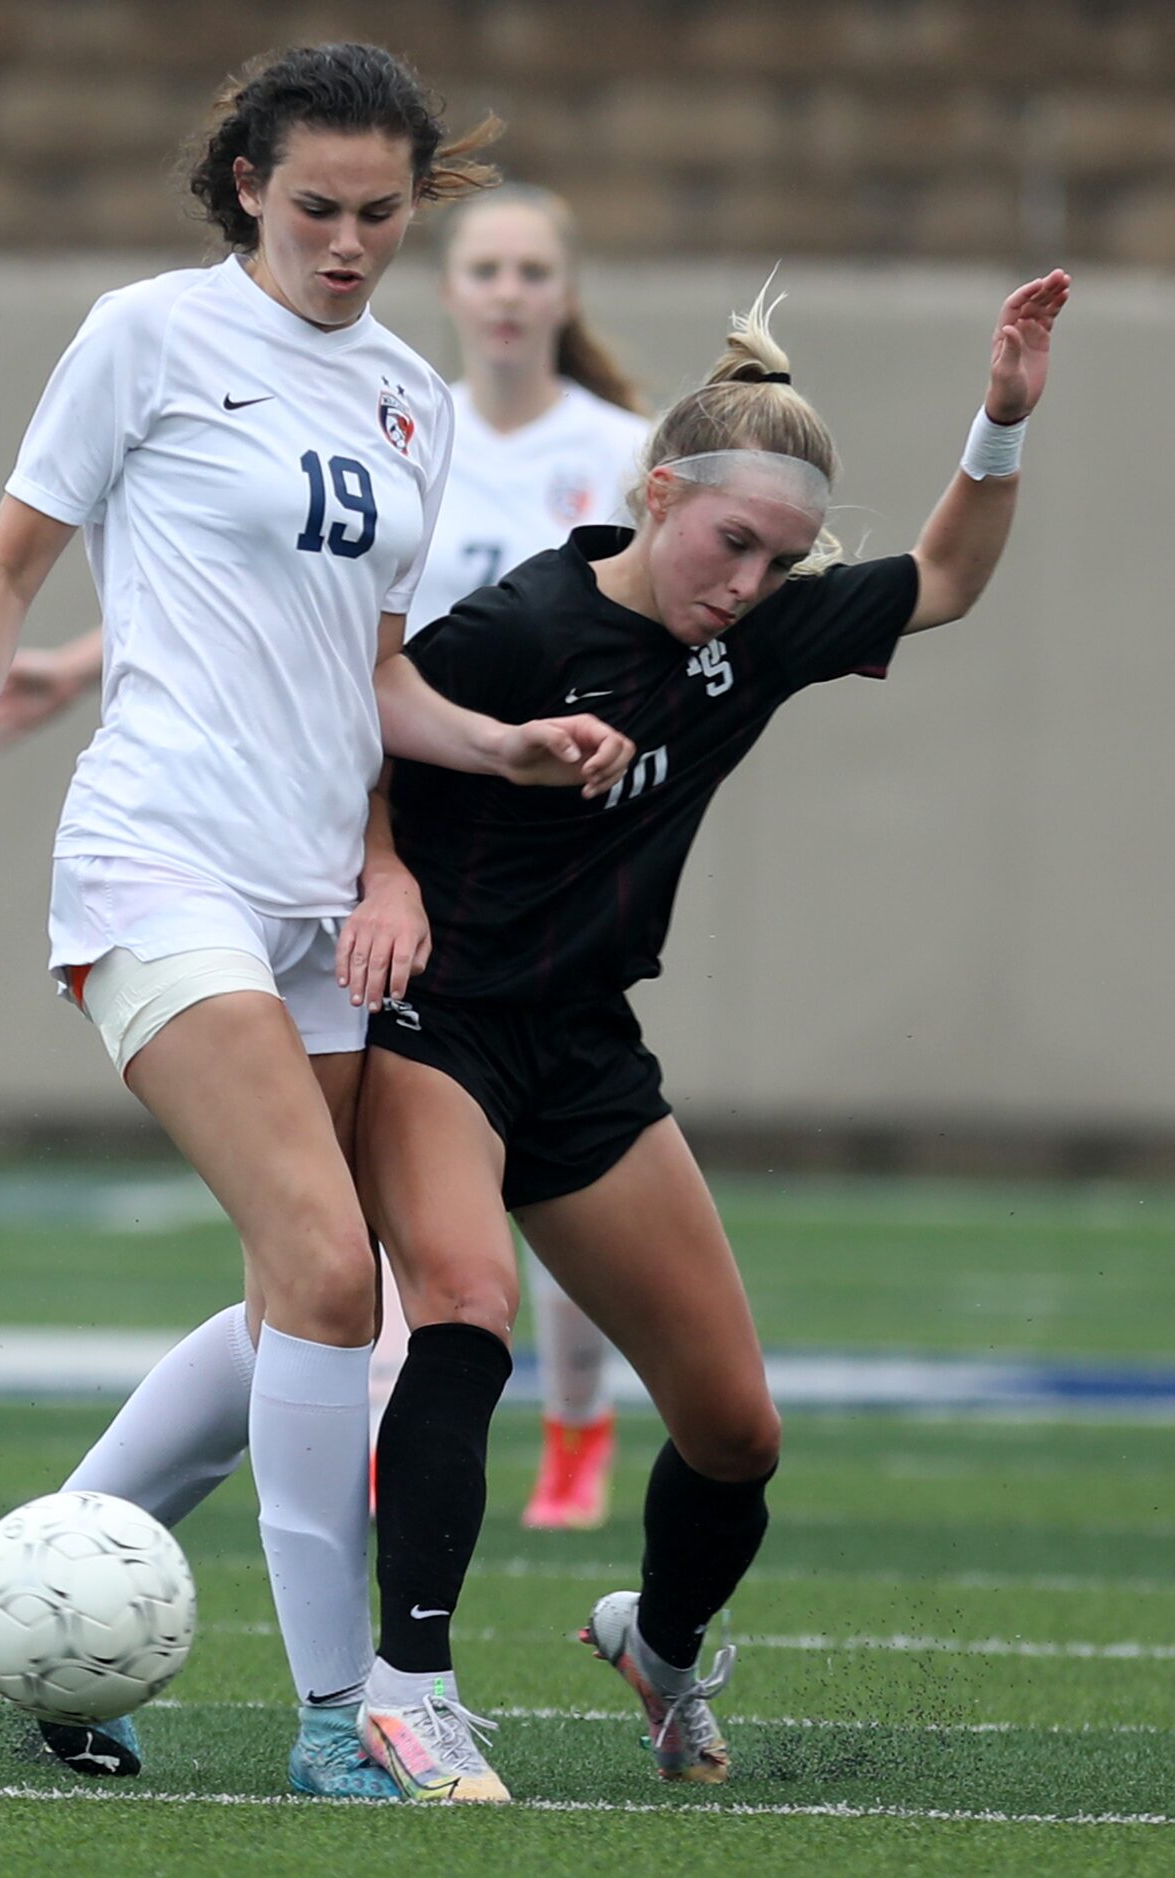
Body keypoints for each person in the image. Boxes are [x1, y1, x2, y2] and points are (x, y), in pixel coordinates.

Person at [0, 43, 632, 1801]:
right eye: (317, 208)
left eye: (381, 213)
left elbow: (369, 678)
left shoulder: (408, 401)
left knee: (298, 1292)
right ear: (245, 188)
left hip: (316, 898)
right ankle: (334, 1717)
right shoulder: (144, 336)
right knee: (326, 1271)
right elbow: (1, 574)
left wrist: (474, 774)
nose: (352, 242)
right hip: (155, 866)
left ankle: (46, 1554)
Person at [352, 271, 1070, 1801]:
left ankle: (657, 1645)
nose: (749, 580)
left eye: (783, 558)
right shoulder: (516, 625)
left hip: (585, 1048)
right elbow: (357, 715)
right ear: (656, 491)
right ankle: (407, 1688)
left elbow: (942, 577)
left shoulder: (758, 639)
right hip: (437, 1025)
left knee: (736, 1432)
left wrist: (998, 423)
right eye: (730, 541)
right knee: (467, 1312)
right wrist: (385, 867)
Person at [0, 182, 650, 1531]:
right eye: (489, 267)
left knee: (435, 1219)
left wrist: (534, 747)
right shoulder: (252, 367)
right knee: (335, 1263)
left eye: (534, 268)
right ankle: (343, 1681)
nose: (508, 291)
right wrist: (46, 686)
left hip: (499, 849)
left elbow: (358, 649)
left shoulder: (566, 441)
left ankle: (570, 1425)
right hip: (321, 836)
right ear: (459, 286)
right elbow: (277, 618)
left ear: (562, 290)